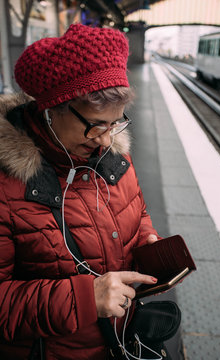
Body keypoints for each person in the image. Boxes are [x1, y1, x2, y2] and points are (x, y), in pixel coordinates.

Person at [0, 24, 161, 360]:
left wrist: (147, 240)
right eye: (94, 125)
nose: (105, 139)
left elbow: (138, 211)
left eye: (116, 122)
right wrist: (86, 298)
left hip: (118, 341)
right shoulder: (6, 185)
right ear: (51, 110)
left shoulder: (113, 154)